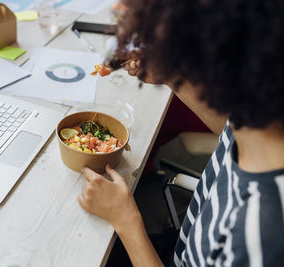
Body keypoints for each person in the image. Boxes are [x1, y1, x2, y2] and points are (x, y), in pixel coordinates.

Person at [78, 0, 284, 266]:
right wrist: (171, 75)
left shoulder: (260, 235)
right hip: (185, 245)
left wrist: (125, 219)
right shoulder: (260, 116)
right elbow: (229, 131)